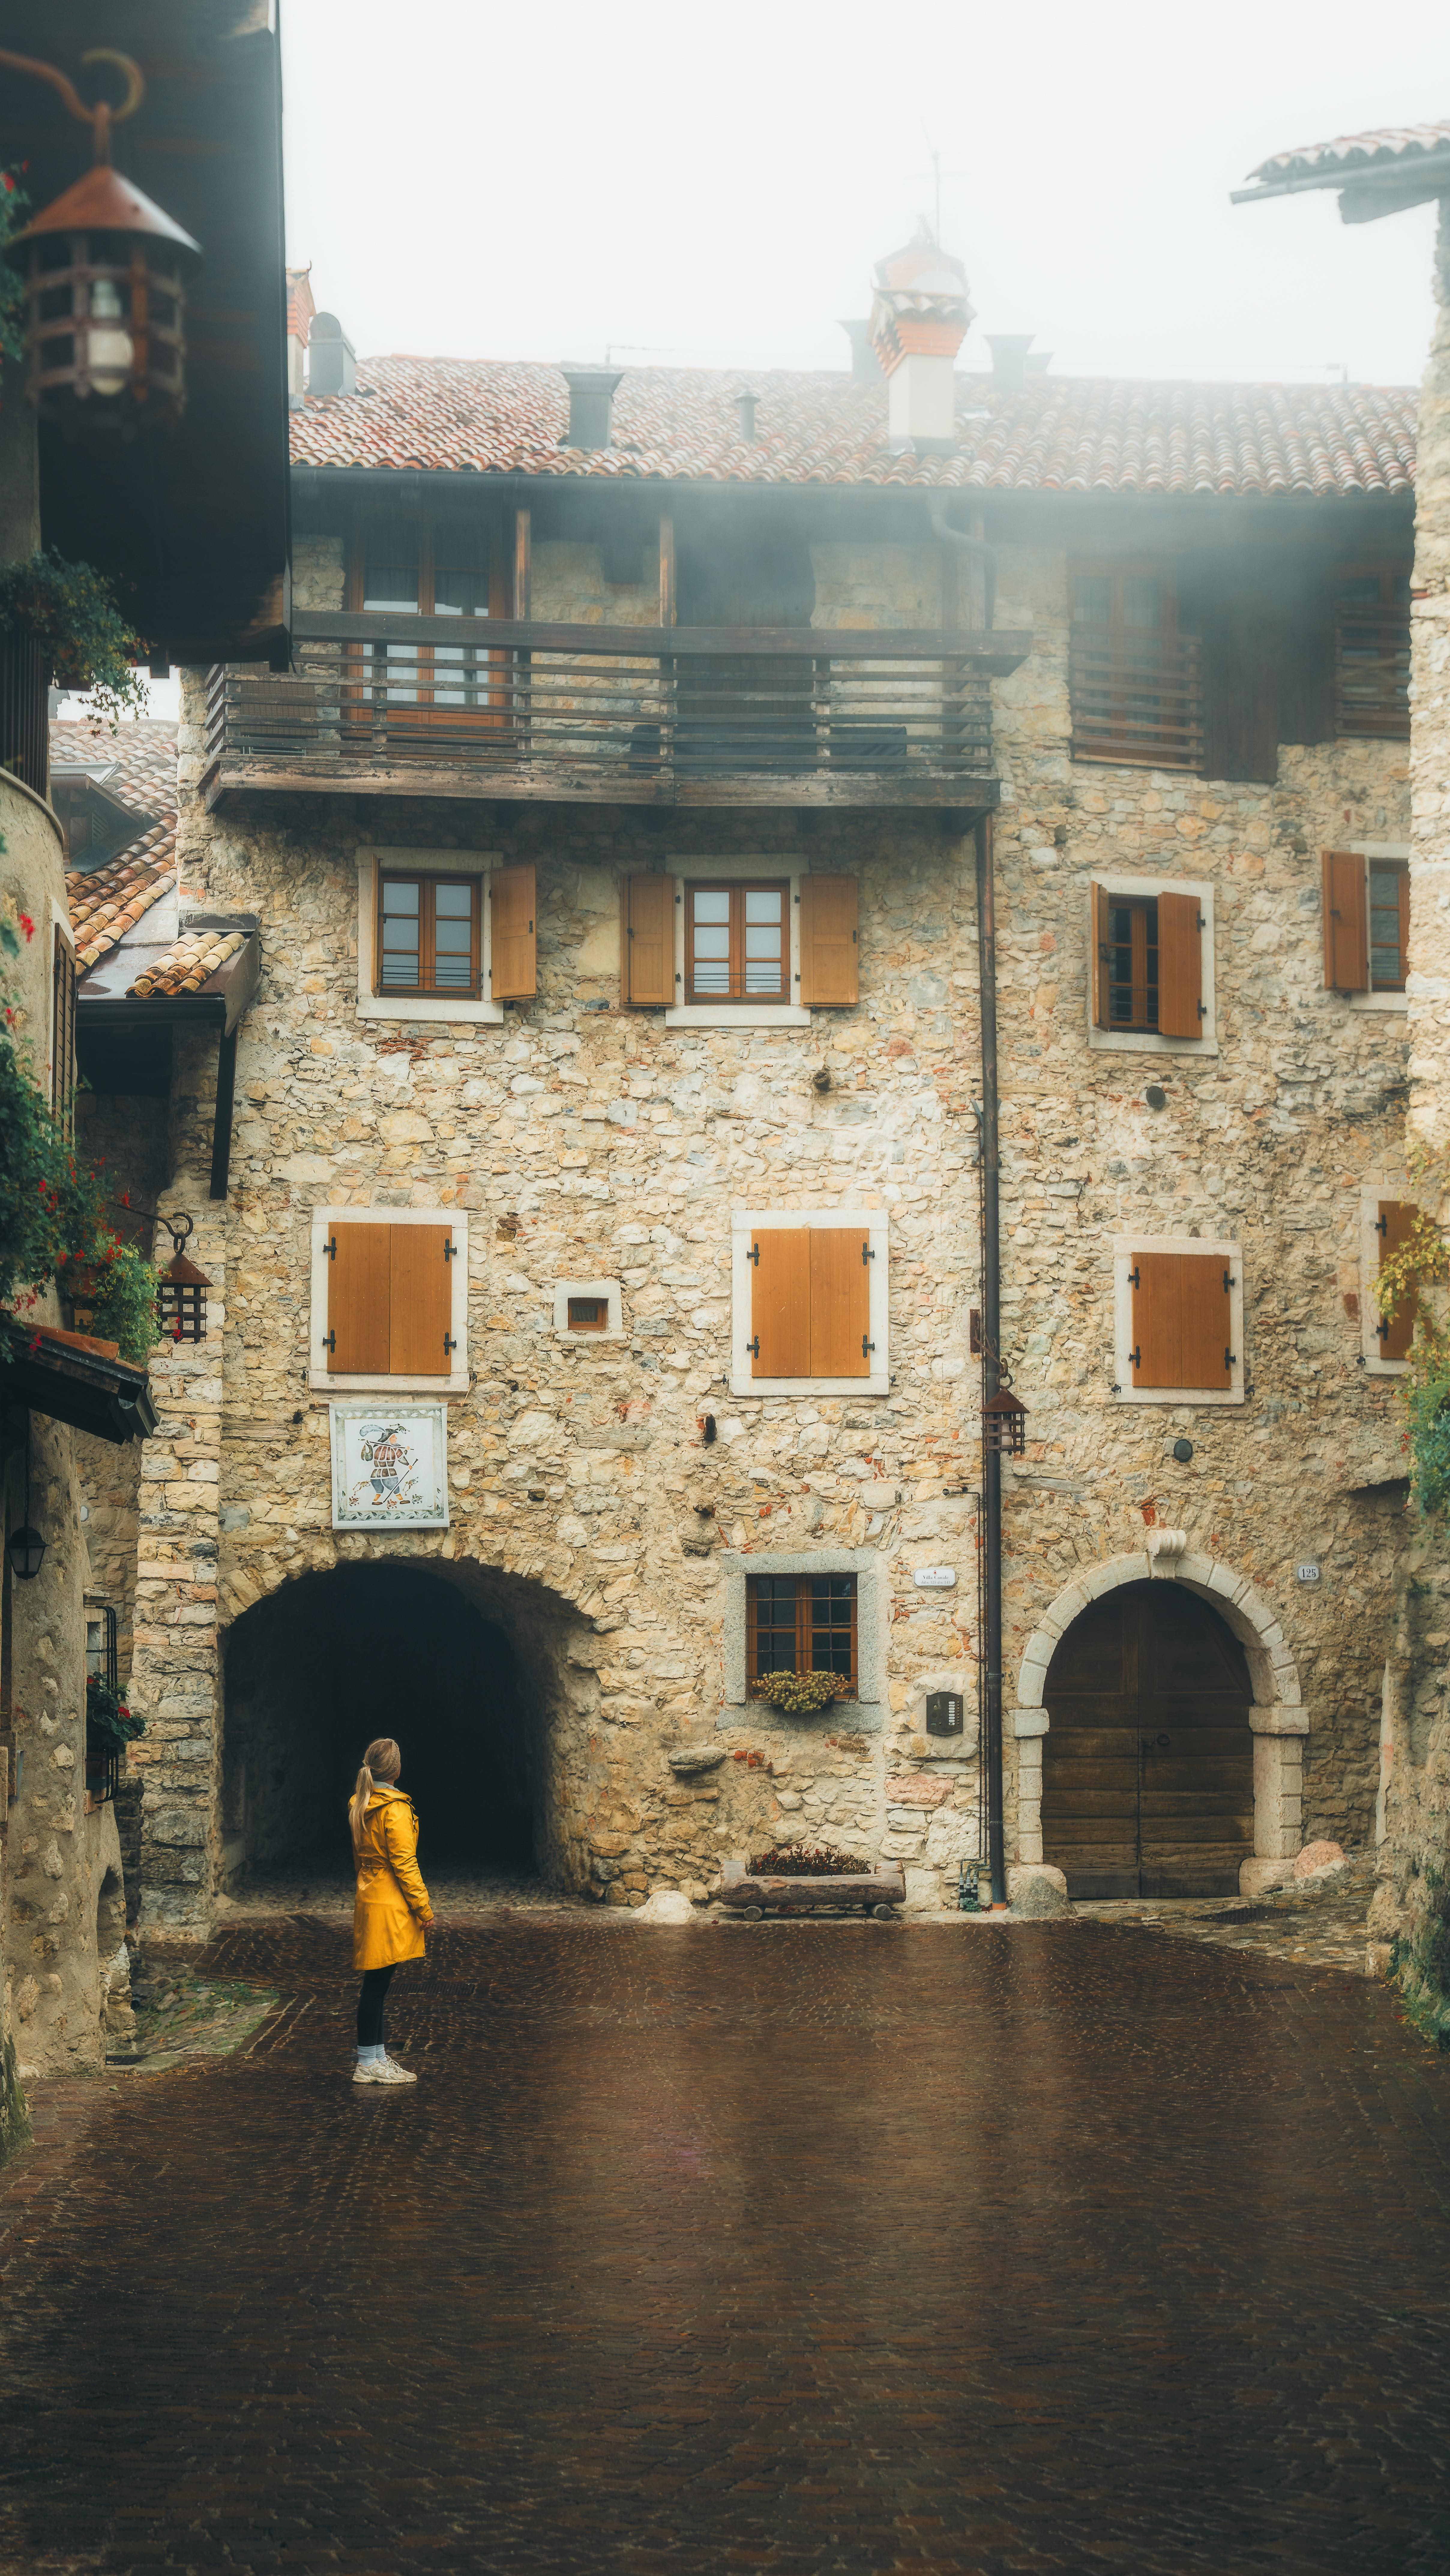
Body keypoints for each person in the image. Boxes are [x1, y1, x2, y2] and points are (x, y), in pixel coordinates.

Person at [348, 1735, 434, 2086]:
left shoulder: (361, 1802)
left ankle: (376, 2057)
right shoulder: (394, 1808)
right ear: (397, 1769)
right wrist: (423, 1909)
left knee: (377, 1983)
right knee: (376, 1985)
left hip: (370, 1895)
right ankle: (368, 2061)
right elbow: (404, 1863)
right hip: (389, 1902)